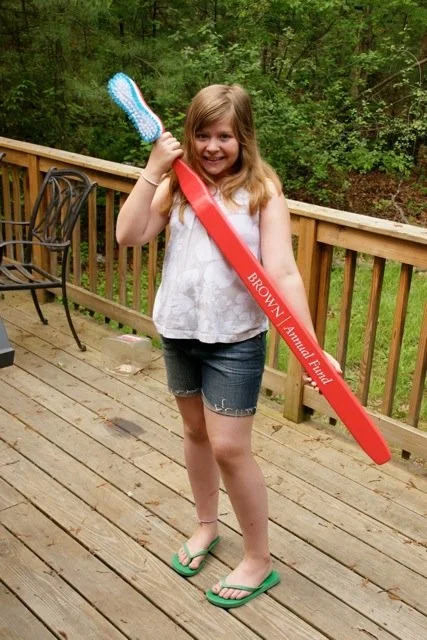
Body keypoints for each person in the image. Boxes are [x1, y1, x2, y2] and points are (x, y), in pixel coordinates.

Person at [116, 83, 341, 608]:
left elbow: (283, 272)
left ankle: (258, 559)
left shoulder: (261, 191)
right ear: (189, 136)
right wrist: (153, 168)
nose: (213, 146)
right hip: (179, 330)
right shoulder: (176, 183)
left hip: (235, 340)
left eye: (225, 135)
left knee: (230, 448)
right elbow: (130, 234)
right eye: (202, 134)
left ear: (243, 137)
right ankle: (205, 525)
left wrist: (310, 347)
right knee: (195, 433)